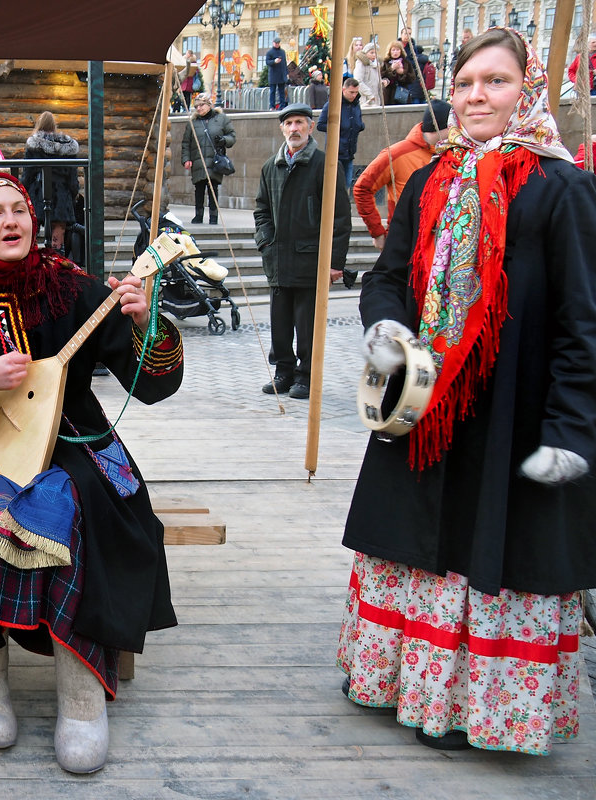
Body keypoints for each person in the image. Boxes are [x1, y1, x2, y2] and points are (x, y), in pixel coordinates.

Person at [338, 28, 596, 756]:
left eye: (497, 81)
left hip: (514, 407)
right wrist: (385, 326)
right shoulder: (430, 177)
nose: (477, 96)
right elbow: (387, 274)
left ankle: (482, 712)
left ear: (529, 90)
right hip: (424, 401)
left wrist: (572, 430)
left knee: (495, 553)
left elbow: (585, 318)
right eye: (467, 82)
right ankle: (405, 685)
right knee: (419, 544)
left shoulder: (562, 186)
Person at [0, 172, 184, 774]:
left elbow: (150, 385)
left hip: (79, 439)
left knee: (81, 514)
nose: (10, 221)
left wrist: (144, 324)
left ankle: (81, 698)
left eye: (19, 209)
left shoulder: (76, 289)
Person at [253, 103, 350, 400]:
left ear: (309, 126)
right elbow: (261, 210)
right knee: (279, 323)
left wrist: (335, 262)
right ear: (282, 129)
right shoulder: (271, 166)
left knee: (307, 324)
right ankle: (283, 372)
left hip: (311, 259)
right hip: (279, 258)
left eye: (299, 123)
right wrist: (265, 241)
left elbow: (340, 216)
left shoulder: (325, 164)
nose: (294, 128)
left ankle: (306, 376)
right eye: (289, 123)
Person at [353, 100, 450, 249]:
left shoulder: (451, 154)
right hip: (403, 239)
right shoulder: (397, 153)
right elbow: (362, 188)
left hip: (439, 241)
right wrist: (377, 232)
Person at [22, 111, 81, 251]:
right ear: (54, 125)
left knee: (31, 233)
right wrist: (74, 193)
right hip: (62, 195)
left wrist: (22, 191)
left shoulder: (33, 145)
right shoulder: (68, 146)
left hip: (38, 193)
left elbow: (28, 173)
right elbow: (73, 176)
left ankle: (31, 261)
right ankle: (56, 264)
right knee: (57, 238)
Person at [181, 92, 236, 225]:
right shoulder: (192, 123)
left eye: (201, 105)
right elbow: (186, 143)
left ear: (209, 105)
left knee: (213, 189)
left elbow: (232, 136)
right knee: (199, 189)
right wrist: (186, 159)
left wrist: (224, 140)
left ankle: (213, 216)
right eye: (197, 106)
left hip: (214, 160)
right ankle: (198, 215)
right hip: (198, 160)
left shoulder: (221, 119)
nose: (199, 108)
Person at [317, 77, 364, 186]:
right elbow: (320, 125)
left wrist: (360, 126)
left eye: (356, 92)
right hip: (335, 153)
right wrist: (338, 127)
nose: (354, 95)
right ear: (343, 90)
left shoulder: (356, 104)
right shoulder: (332, 104)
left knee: (346, 185)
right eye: (351, 92)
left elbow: (358, 121)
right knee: (334, 185)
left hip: (350, 152)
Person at [381, 40, 412, 105]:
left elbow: (412, 78)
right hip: (388, 94)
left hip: (402, 92)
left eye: (397, 50)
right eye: (393, 50)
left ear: (401, 51)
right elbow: (381, 75)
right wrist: (391, 69)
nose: (395, 52)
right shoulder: (385, 62)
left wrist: (402, 73)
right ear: (390, 51)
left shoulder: (406, 63)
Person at [266, 37, 288, 110]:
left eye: (278, 43)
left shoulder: (282, 52)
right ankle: (272, 106)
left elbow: (284, 63)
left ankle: (282, 106)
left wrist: (286, 73)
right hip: (273, 75)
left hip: (281, 74)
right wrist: (274, 61)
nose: (277, 44)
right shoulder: (270, 52)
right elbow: (267, 62)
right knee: (273, 91)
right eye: (276, 43)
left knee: (281, 91)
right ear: (273, 43)